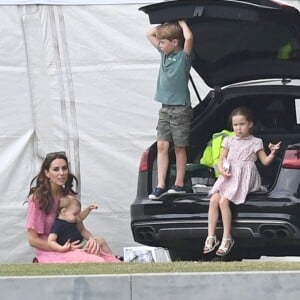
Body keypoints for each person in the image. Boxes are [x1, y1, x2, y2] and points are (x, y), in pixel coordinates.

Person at [203, 107, 281, 256]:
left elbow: (265, 161)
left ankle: (227, 237)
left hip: (245, 177)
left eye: (242, 124)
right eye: (235, 125)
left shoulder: (256, 141)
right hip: (229, 175)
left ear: (250, 124)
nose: (238, 128)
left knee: (223, 201)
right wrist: (221, 169)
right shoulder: (228, 140)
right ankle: (211, 236)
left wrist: (273, 152)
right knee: (214, 200)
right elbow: (221, 159)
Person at [26, 151, 120, 263]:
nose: (61, 173)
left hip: (74, 243)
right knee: (97, 260)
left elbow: (79, 226)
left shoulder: (69, 196)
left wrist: (91, 240)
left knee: (100, 243)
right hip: (52, 250)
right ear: (47, 173)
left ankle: (120, 270)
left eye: (64, 168)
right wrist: (62, 248)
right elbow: (33, 240)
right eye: (56, 169)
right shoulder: (38, 200)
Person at [146, 20, 194, 199]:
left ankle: (179, 183)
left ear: (174, 42)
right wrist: (165, 24)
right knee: (162, 145)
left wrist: (181, 21)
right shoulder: (164, 55)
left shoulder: (183, 57)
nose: (160, 45)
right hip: (165, 108)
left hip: (180, 108)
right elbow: (149, 33)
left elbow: (188, 37)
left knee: (179, 147)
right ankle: (160, 185)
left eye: (163, 42)